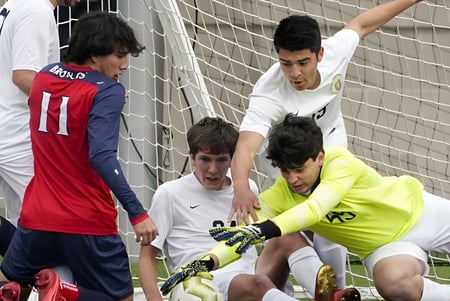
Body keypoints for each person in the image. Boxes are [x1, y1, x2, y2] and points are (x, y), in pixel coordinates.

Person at [228, 0, 422, 296]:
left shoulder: (335, 54)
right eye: (286, 63)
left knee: (328, 216)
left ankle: (338, 292)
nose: (294, 73)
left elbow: (364, 23)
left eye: (302, 62)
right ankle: (278, 287)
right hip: (287, 160)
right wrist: (241, 185)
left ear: (320, 54)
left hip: (330, 142)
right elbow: (245, 146)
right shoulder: (268, 93)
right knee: (294, 226)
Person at [203, 113, 450, 301]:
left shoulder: (340, 162)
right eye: (285, 171)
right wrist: (206, 262)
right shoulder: (281, 193)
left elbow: (315, 209)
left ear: (319, 158)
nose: (292, 179)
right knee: (394, 285)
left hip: (425, 214)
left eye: (299, 170)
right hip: (384, 247)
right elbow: (242, 234)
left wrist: (262, 230)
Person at [0, 11, 158, 301]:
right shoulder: (107, 91)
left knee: (10, 284)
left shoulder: (45, 76)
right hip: (87, 220)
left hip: (38, 217)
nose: (124, 65)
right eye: (119, 55)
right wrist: (137, 212)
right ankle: (67, 294)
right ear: (95, 54)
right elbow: (101, 156)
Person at [138, 116, 259, 301]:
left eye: (221, 160)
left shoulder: (247, 189)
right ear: (192, 157)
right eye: (205, 159)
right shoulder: (169, 194)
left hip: (246, 283)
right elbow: (147, 256)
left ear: (233, 159)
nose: (213, 169)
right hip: (195, 283)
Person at [0, 0, 80, 226]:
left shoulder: (15, 4)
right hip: (17, 135)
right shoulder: (36, 9)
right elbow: (23, 76)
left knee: (26, 224)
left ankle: (16, 262)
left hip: (10, 129)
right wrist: (78, 102)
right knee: (58, 219)